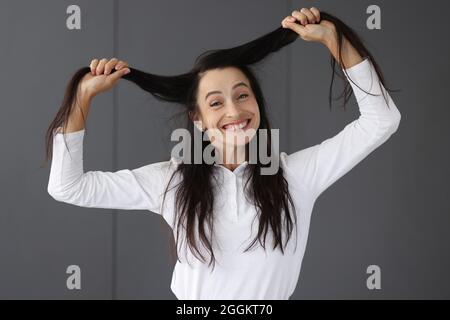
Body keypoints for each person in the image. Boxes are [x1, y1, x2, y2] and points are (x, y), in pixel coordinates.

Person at [45, 7, 401, 299]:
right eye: (216, 102)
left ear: (257, 104)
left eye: (242, 95)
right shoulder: (171, 180)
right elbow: (68, 187)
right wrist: (81, 99)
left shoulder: (297, 175)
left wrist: (334, 40)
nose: (234, 111)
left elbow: (381, 120)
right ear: (198, 120)